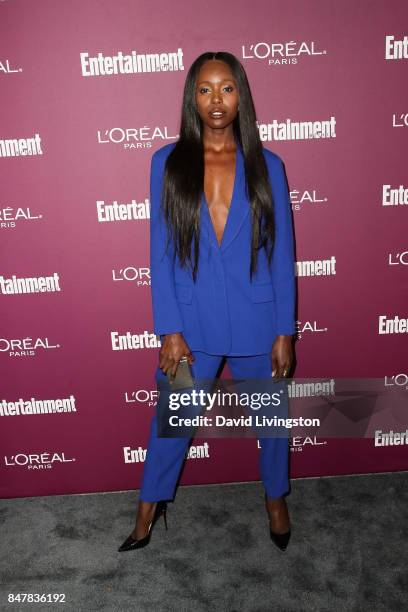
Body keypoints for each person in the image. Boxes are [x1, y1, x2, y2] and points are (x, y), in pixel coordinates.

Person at [118, 51, 296, 553]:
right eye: (205, 89)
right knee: (173, 423)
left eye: (226, 88)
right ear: (191, 98)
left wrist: (285, 330)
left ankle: (276, 499)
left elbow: (282, 254)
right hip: (191, 327)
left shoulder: (269, 165)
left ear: (241, 95)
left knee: (273, 423)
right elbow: (161, 251)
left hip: (258, 322)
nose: (216, 100)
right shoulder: (166, 162)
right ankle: (148, 507)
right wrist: (169, 329)